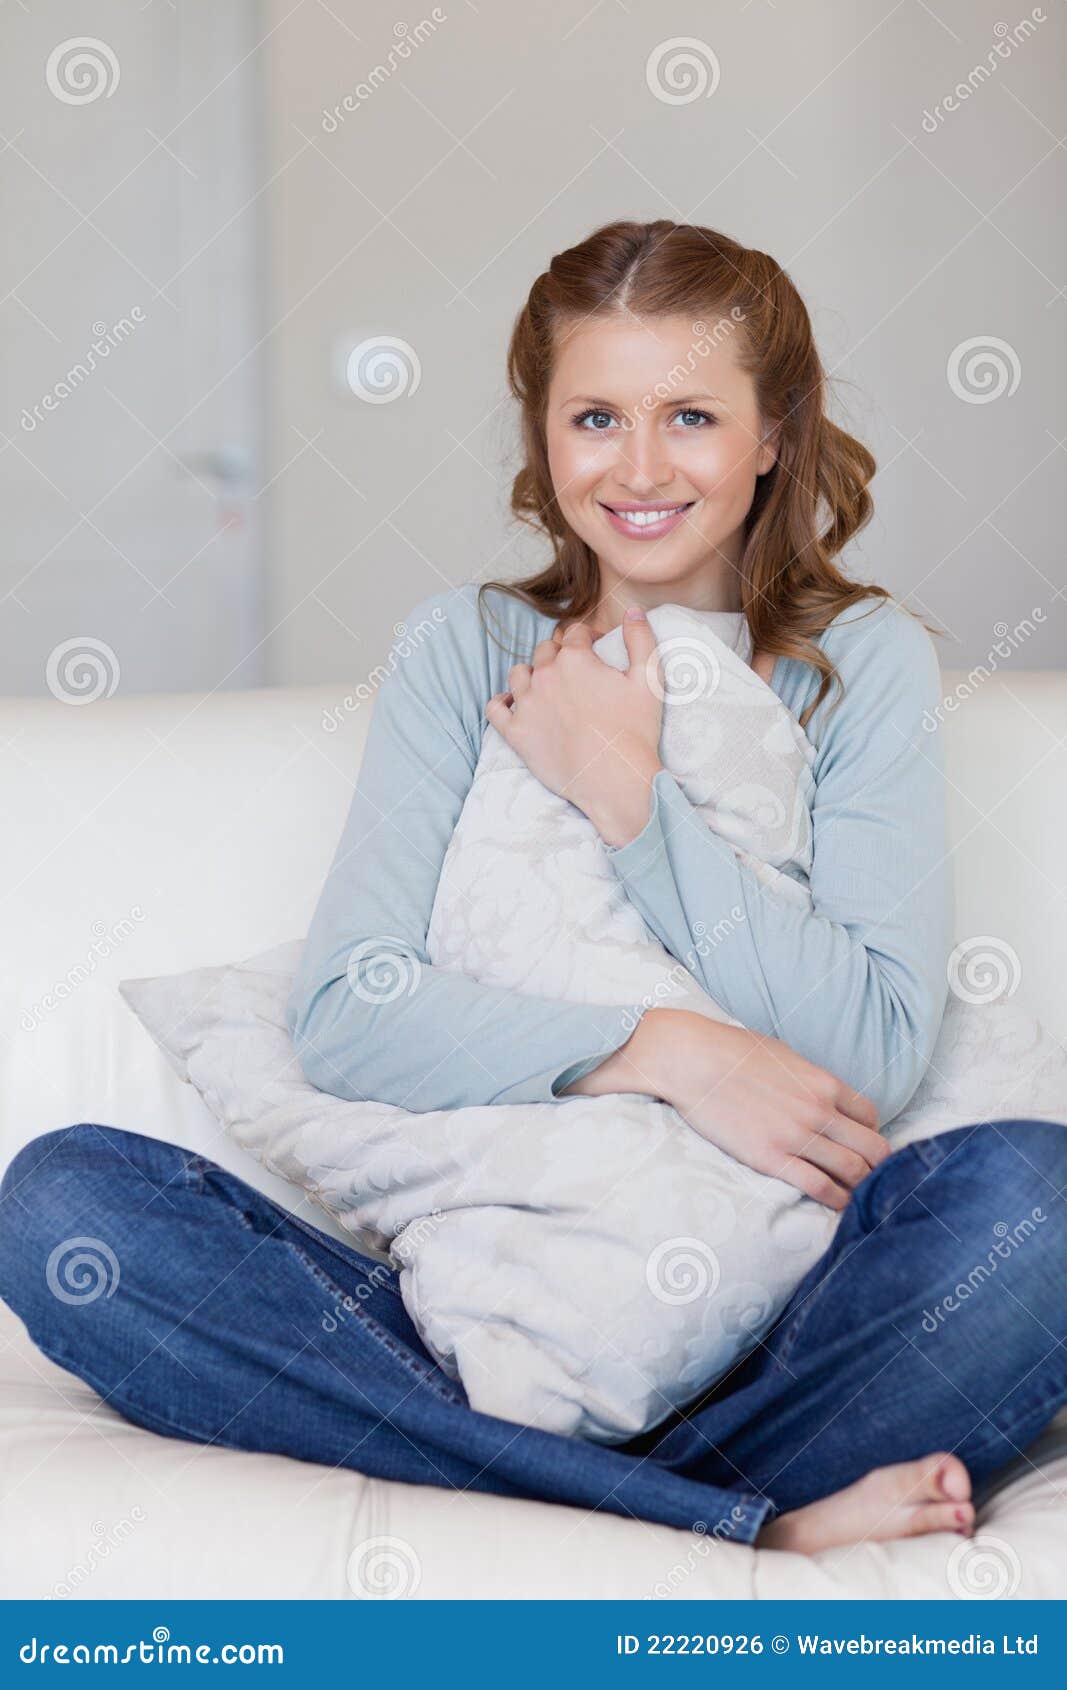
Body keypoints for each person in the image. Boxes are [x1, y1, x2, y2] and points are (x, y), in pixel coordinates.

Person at [3, 221, 1065, 1557]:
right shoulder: (467, 650)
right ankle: (744, 1524)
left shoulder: (862, 664)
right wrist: (664, 1050)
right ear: (541, 435)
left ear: (774, 433)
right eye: (594, 417)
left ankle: (616, 1495)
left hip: (786, 1333)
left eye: (690, 415)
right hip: (474, 1327)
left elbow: (871, 1044)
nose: (637, 467)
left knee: (1039, 1201)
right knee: (63, 1202)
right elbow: (348, 1009)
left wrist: (633, 801)